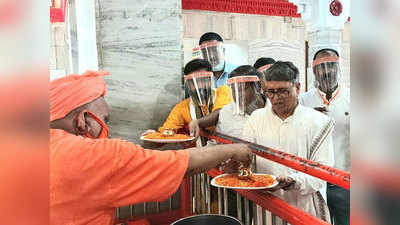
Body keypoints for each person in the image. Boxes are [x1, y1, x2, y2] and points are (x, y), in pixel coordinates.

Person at [49, 70, 253, 225]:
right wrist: (234, 149)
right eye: (104, 120)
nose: (106, 129)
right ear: (82, 120)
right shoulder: (91, 155)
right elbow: (181, 163)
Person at [242, 61, 334, 222]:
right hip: (267, 205)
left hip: (305, 204)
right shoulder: (255, 119)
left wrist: (293, 181)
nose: (276, 98)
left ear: (297, 88)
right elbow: (246, 159)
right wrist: (238, 165)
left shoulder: (319, 122)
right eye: (270, 92)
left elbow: (323, 171)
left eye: (283, 91)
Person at [299, 48, 350, 225]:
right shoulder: (303, 101)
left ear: (338, 69)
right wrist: (309, 117)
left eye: (331, 66)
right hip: (315, 181)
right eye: (321, 67)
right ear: (314, 72)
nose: (327, 72)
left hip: (345, 180)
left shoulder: (352, 97)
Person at [156, 59, 232, 146]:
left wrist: (198, 122)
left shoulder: (223, 91)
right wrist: (153, 136)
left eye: (203, 80)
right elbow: (166, 133)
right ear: (188, 84)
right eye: (193, 82)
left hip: (229, 152)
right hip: (201, 155)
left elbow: (219, 113)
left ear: (211, 79)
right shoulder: (182, 107)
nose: (199, 86)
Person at [188, 65, 267, 140]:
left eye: (243, 89)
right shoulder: (226, 113)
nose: (238, 95)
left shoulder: (275, 110)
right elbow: (216, 144)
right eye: (234, 90)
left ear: (258, 86)